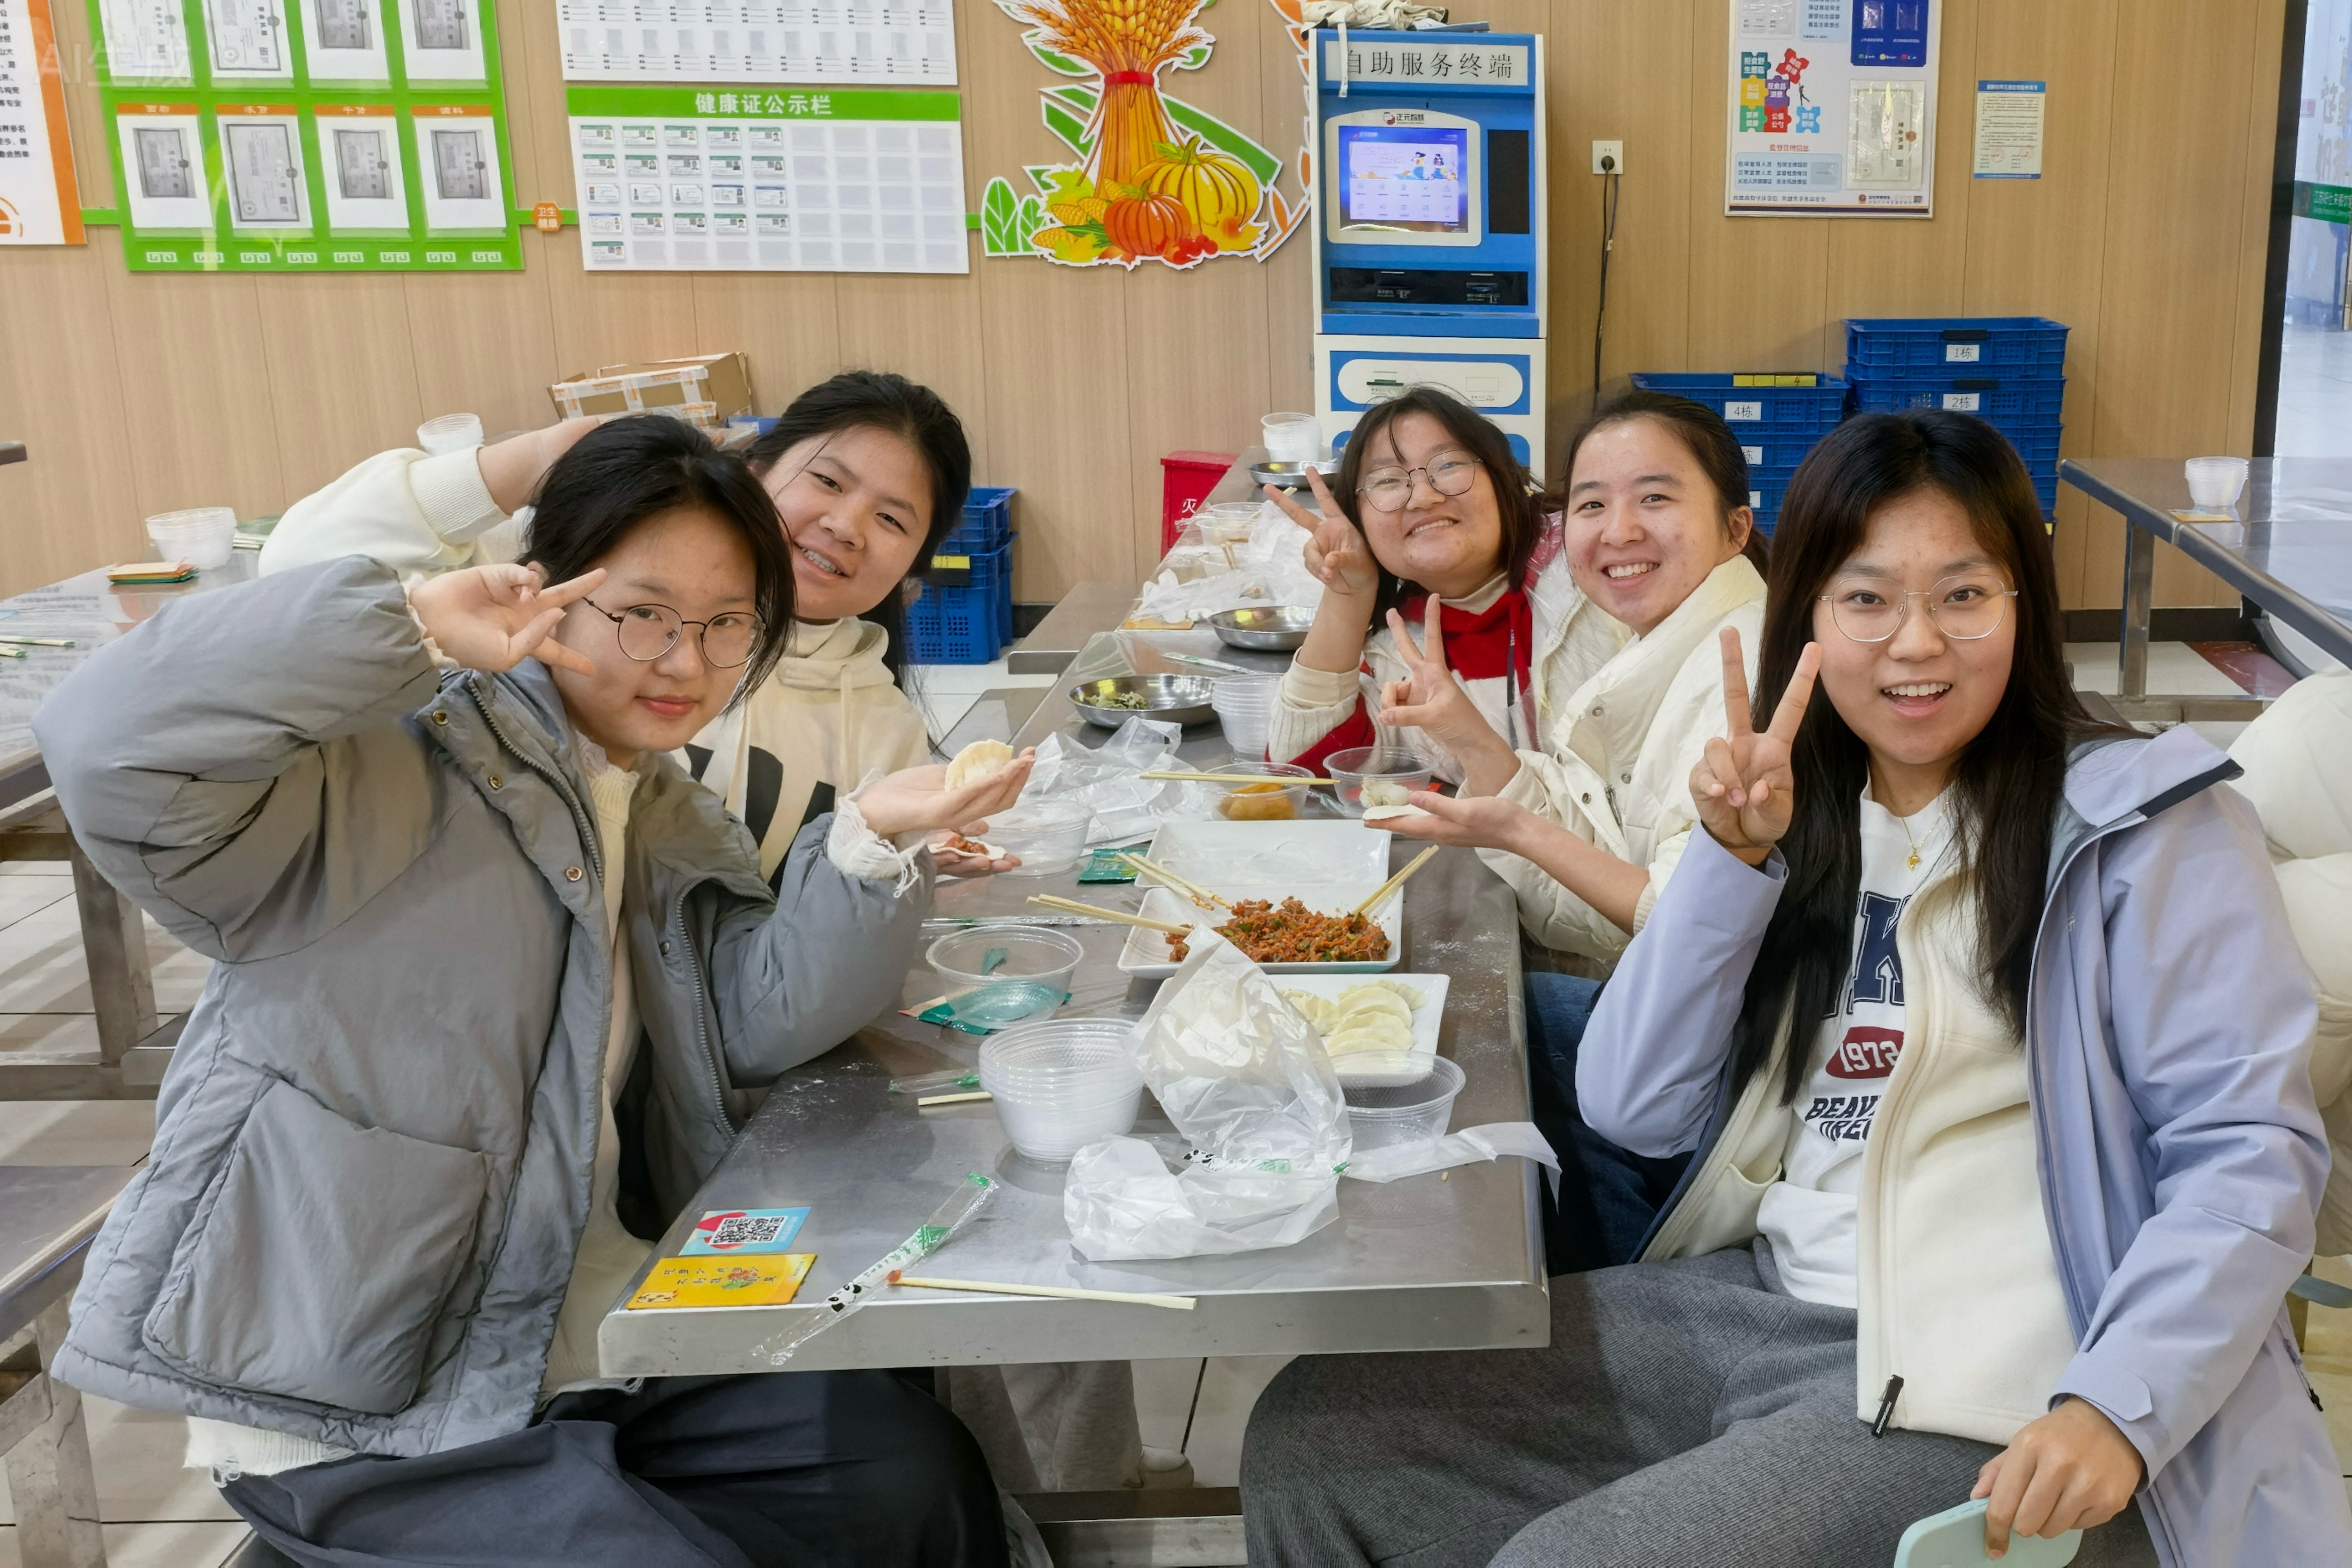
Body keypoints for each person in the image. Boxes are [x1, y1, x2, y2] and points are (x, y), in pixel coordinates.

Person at [1242, 409, 2349, 1566]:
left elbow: (2247, 1152)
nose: (1914, 643)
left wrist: (2118, 1403)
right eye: (1865, 598)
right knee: (1313, 1440)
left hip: (1989, 1377)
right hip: (1763, 1297)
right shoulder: (1799, 818)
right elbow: (1631, 1105)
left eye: (1963, 595)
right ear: (1807, 614)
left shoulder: (2139, 826)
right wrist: (1725, 867)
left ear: (2023, 605)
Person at [36, 417, 1031, 1566]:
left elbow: (751, 1021)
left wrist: (868, 839)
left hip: (566, 1330)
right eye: (644, 612)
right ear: (545, 589)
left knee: (907, 1475)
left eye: (727, 623)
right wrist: (410, 621)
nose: (686, 660)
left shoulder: (657, 810)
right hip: (352, 1393)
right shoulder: (385, 761)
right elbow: (102, 741)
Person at [261, 370, 1003, 885]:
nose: (846, 526)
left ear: (916, 560)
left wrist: (905, 863)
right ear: (755, 471)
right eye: (829, 481)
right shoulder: (574, 582)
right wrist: (534, 461)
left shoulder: (882, 728)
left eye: (892, 520)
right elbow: (298, 567)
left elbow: (797, 933)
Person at [1364, 390, 1769, 1268]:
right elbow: (1614, 866)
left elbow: (1678, 924)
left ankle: (1622, 1282)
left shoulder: (1738, 668)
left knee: (1487, 1028)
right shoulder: (1667, 637)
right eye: (1592, 503)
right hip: (1693, 1006)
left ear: (1736, 526)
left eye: (1655, 497)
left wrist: (1519, 828)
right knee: (1491, 1003)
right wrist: (1470, 737)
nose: (1619, 530)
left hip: (1745, 1056)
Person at [1262, 385, 1624, 782]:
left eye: (1449, 465)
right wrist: (1348, 595)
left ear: (1503, 477)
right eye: (1387, 481)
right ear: (1360, 521)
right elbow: (1302, 770)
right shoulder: (1397, 650)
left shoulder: (1598, 565)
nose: (1423, 496)